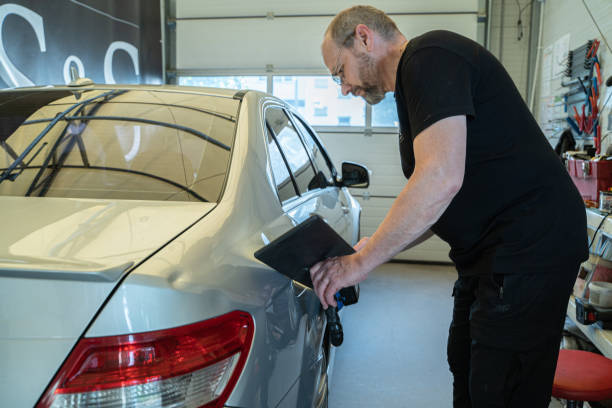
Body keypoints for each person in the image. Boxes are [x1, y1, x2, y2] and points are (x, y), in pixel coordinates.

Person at [309, 5, 588, 407]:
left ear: (364, 39)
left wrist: (361, 262)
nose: (344, 88)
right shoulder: (412, 88)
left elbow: (440, 179)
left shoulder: (430, 57)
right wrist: (377, 244)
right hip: (489, 256)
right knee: (466, 364)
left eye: (339, 71)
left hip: (529, 249)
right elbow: (437, 200)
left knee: (503, 387)